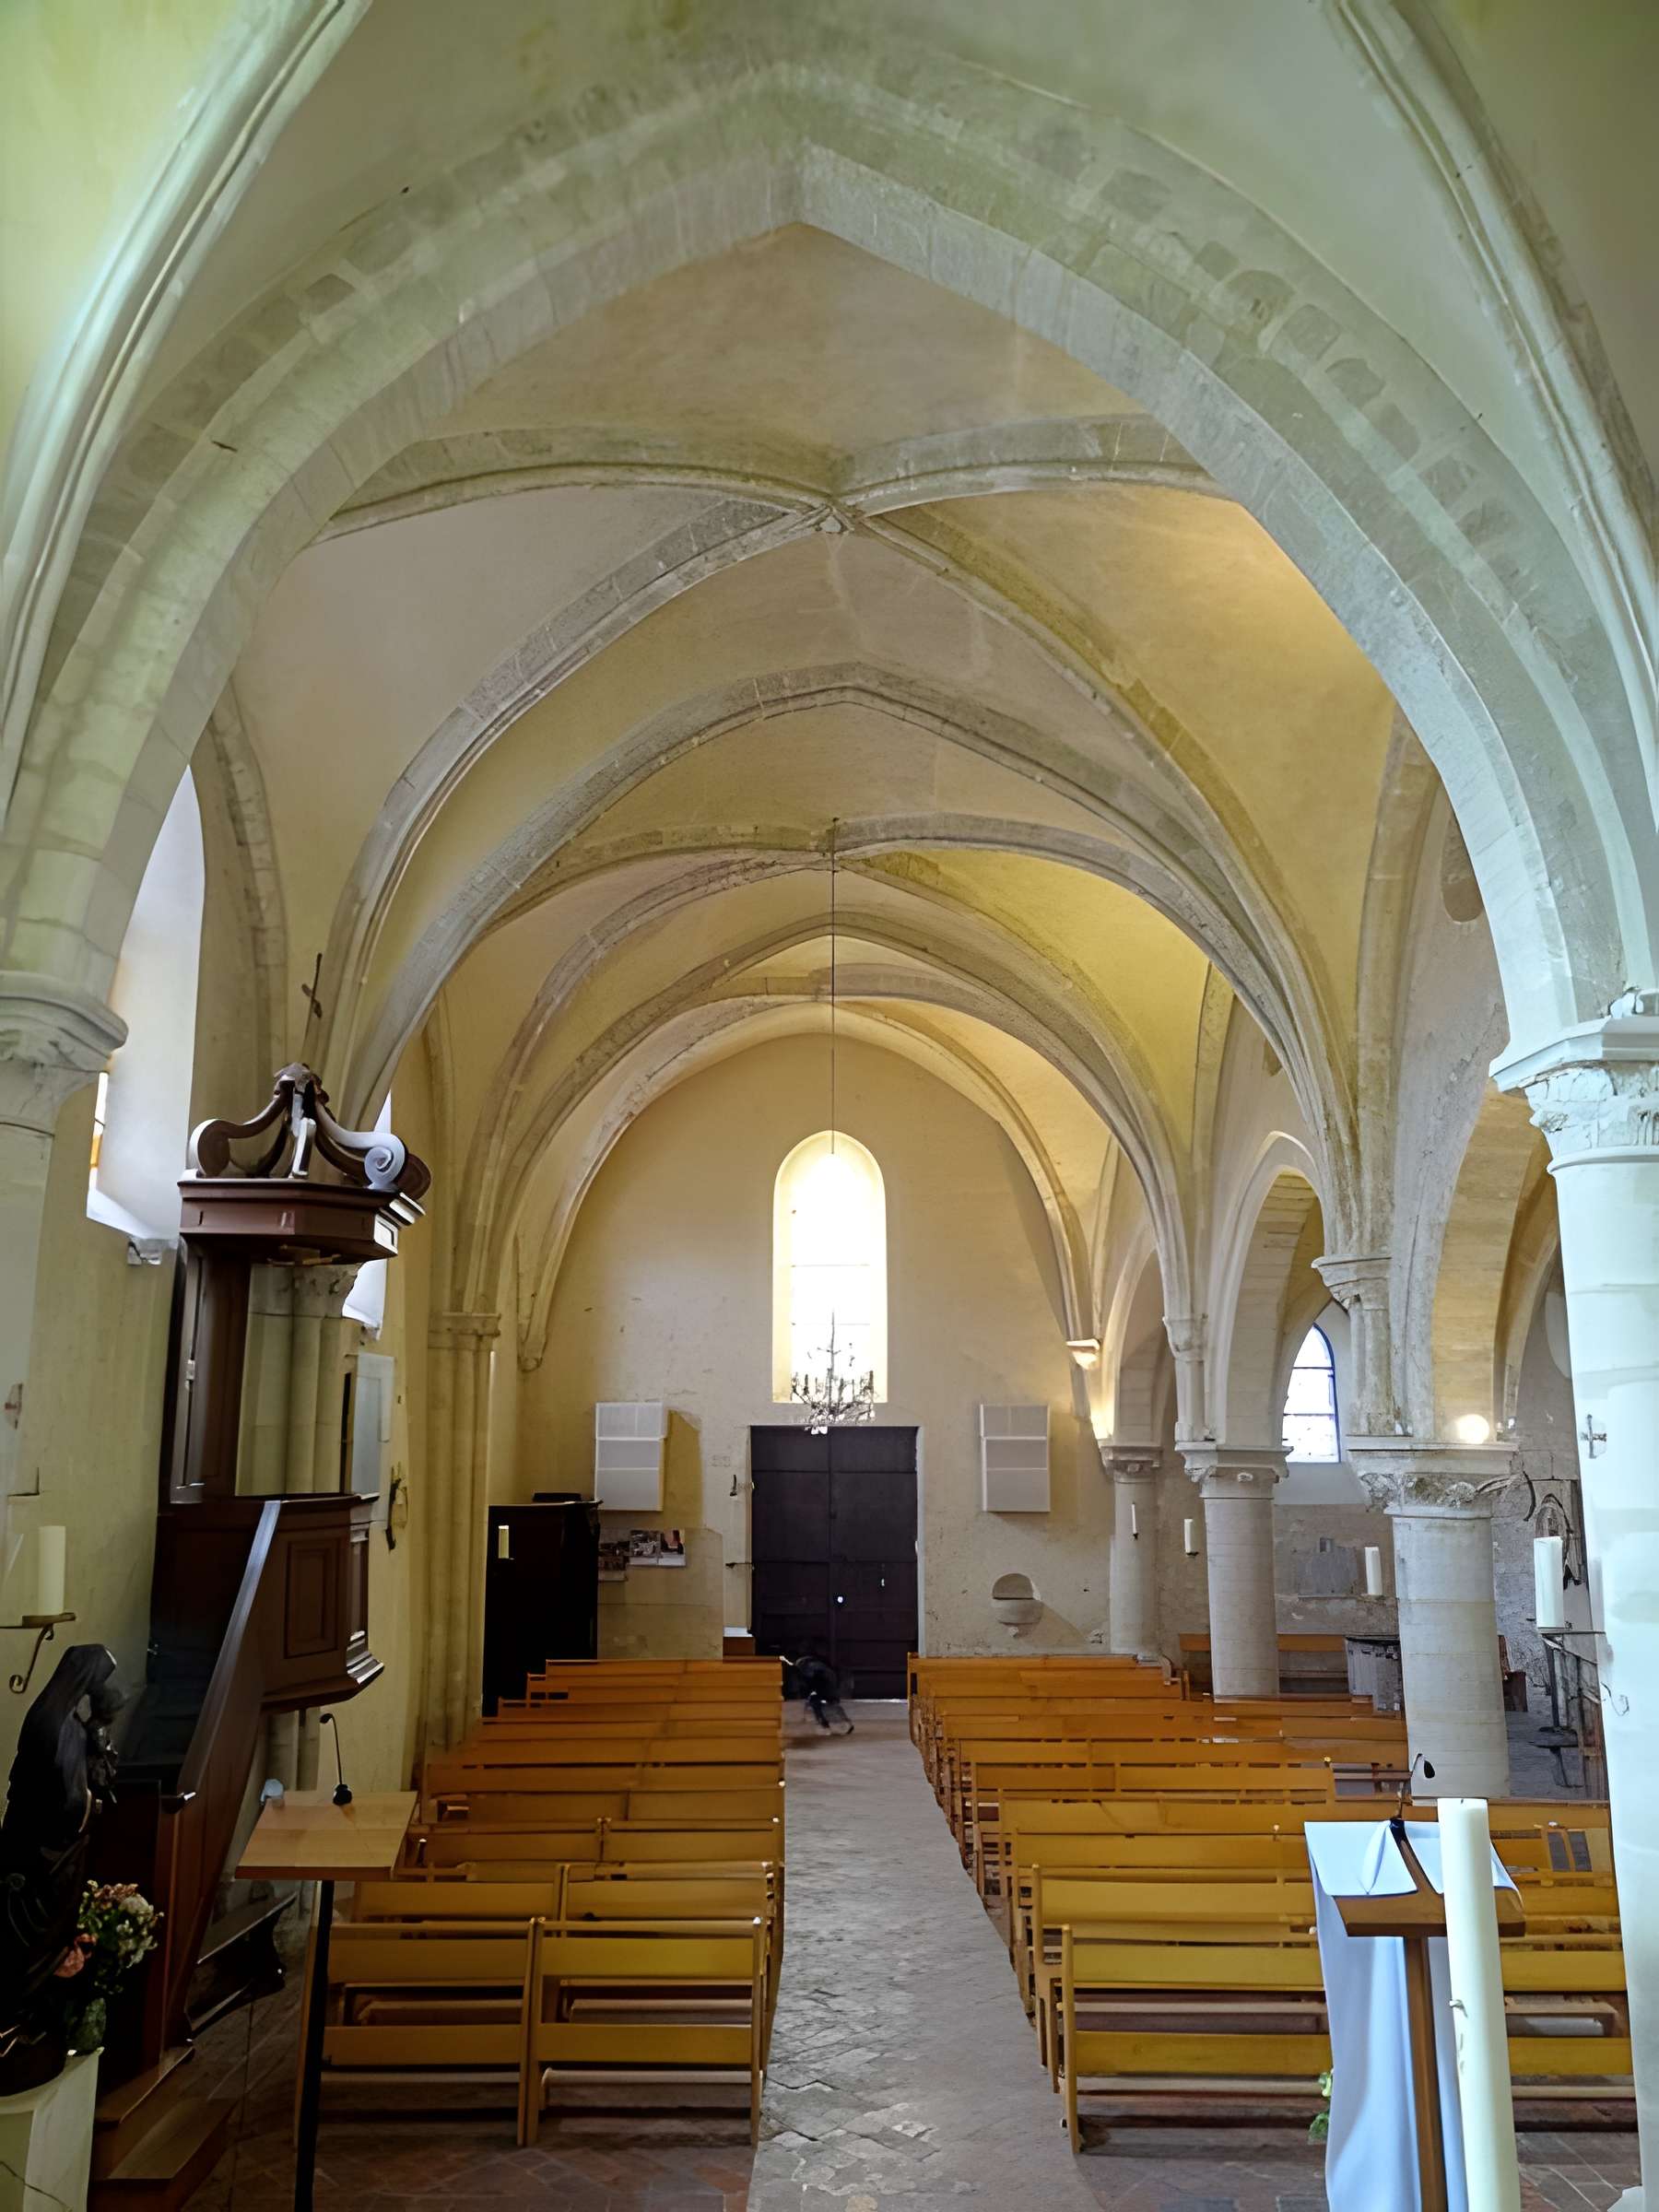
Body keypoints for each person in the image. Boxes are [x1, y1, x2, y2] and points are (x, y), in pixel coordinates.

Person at [787, 1651, 853, 1734]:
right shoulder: (820, 1665)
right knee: (831, 1703)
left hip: (825, 1687)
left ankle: (824, 1724)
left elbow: (813, 1680)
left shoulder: (809, 1668)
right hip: (830, 1687)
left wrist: (810, 1691)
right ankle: (845, 1722)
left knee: (815, 1703)